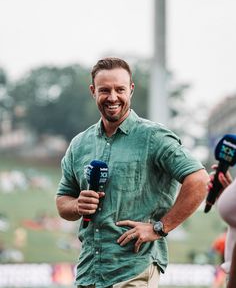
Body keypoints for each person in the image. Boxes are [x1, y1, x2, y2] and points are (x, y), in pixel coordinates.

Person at [56, 57, 209, 288]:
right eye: (104, 90)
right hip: (89, 272)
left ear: (131, 90)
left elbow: (199, 180)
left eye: (120, 89)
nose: (113, 97)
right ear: (93, 91)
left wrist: (160, 228)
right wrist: (78, 205)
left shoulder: (153, 138)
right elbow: (62, 202)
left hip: (134, 269)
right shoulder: (79, 144)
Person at [211, 168, 236, 287]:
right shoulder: (222, 239)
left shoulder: (221, 239)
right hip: (227, 266)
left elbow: (213, 250)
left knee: (217, 283)